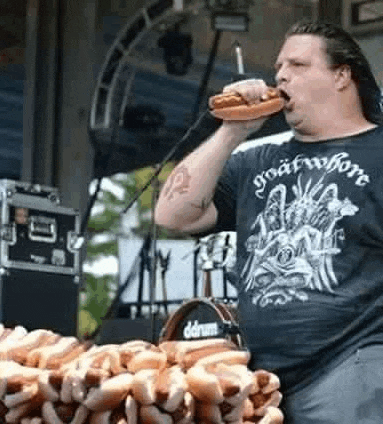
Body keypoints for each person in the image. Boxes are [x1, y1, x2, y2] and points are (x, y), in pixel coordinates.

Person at [154, 19, 383, 424]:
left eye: (297, 64)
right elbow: (172, 214)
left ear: (342, 75)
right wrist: (232, 131)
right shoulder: (255, 161)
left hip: (352, 369)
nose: (280, 75)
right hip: (261, 384)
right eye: (279, 67)